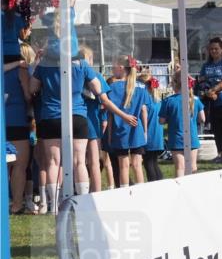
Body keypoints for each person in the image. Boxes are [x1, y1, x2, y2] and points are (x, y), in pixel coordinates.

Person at [31, 49, 136, 211]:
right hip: (77, 114)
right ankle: (83, 204)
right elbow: (98, 89)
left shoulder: (44, 65)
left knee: (53, 162)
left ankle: (53, 206)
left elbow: (32, 88)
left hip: (50, 115)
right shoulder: (82, 65)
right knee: (80, 161)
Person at [106, 56, 150, 188]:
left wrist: (108, 133)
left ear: (121, 67)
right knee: (137, 165)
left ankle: (125, 194)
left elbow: (109, 113)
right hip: (137, 129)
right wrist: (145, 131)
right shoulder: (142, 87)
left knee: (123, 166)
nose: (112, 69)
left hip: (120, 130)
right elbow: (144, 110)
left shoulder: (112, 87)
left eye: (113, 66)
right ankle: (141, 194)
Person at [160, 69, 205, 176]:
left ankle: (180, 191)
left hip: (176, 139)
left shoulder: (168, 100)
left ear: (174, 83)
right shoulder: (195, 99)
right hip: (192, 137)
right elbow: (202, 119)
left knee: (180, 167)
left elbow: (161, 121)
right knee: (193, 166)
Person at [4, 54, 31, 213]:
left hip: (3, 121)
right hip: (18, 120)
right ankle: (17, 204)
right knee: (19, 165)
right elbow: (28, 94)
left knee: (4, 165)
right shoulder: (21, 71)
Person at [78, 46, 105, 193]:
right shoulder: (96, 76)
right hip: (92, 123)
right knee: (94, 161)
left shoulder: (72, 75)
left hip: (77, 121)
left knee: (79, 161)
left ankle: (78, 191)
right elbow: (104, 99)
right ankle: (96, 192)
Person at [139, 71, 165, 182]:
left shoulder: (145, 101)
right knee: (154, 163)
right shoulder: (158, 100)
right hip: (158, 136)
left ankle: (153, 186)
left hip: (148, 136)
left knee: (148, 164)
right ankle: (160, 184)